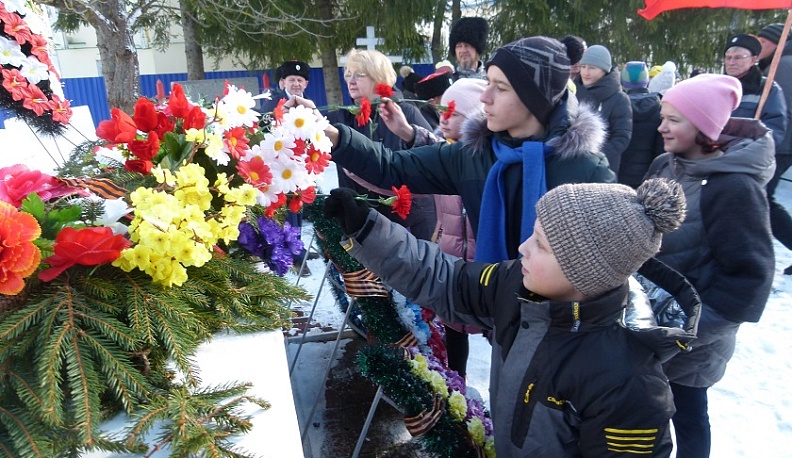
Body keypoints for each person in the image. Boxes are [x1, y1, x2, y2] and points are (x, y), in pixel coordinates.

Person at [323, 178, 700, 457]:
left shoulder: (627, 381)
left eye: (541, 245)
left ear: (583, 273)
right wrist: (369, 232)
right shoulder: (517, 286)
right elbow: (448, 279)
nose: (523, 248)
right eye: (532, 235)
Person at [290, 36, 615, 265]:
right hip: (499, 317)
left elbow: (605, 266)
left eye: (499, 87)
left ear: (535, 98)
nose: (484, 97)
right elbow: (392, 167)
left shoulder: (587, 172)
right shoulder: (474, 155)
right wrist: (332, 135)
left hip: (563, 335)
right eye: (487, 82)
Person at [644, 74, 775, 458]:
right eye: (662, 116)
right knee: (645, 411)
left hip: (694, 342)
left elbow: (749, 281)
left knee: (687, 416)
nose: (661, 126)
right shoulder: (664, 164)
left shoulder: (734, 189)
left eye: (674, 119)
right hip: (650, 326)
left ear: (704, 126)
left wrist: (688, 332)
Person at [328, 49, 436, 241]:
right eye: (348, 74)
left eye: (359, 75)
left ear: (378, 78)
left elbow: (431, 162)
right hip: (363, 222)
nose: (350, 81)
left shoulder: (405, 113)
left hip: (408, 225)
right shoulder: (344, 117)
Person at [260, 60, 317, 275]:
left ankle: (297, 248)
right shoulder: (273, 103)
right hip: (278, 169)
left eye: (300, 80)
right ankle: (286, 255)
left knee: (297, 209)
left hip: (300, 167)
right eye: (291, 79)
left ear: (306, 83)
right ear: (283, 81)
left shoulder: (308, 104)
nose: (296, 84)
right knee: (284, 212)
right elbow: (263, 129)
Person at [757, 23, 792, 274]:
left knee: (762, 200)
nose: (759, 47)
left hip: (780, 145)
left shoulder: (783, 65)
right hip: (781, 144)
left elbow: (781, 113)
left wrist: (766, 143)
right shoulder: (779, 63)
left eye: (763, 42)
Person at [575, 44, 633, 174]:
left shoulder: (619, 99)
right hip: (571, 165)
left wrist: (596, 155)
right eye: (583, 67)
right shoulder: (572, 93)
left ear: (604, 70)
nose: (586, 72)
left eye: (592, 68)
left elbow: (622, 137)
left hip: (602, 168)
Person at [619, 61, 664, 188]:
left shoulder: (617, 106)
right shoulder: (659, 108)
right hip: (649, 177)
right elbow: (661, 148)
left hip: (619, 175)